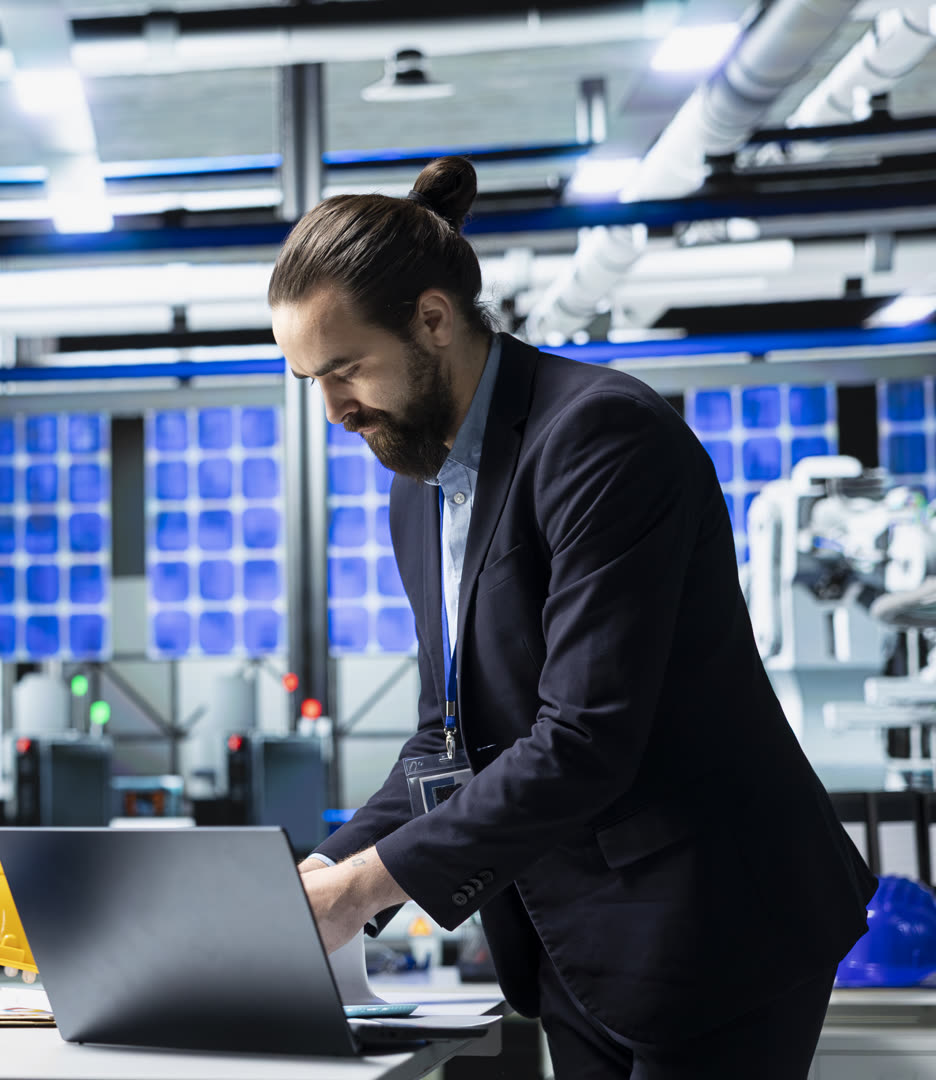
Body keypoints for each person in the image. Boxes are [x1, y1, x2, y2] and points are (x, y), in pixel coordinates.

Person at [268, 156, 875, 1078]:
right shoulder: (420, 484)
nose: (333, 409)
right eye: (310, 378)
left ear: (433, 319)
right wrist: (319, 877)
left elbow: (585, 737)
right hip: (574, 943)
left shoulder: (600, 435)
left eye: (345, 368)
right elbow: (449, 737)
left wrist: (369, 886)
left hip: (715, 923)